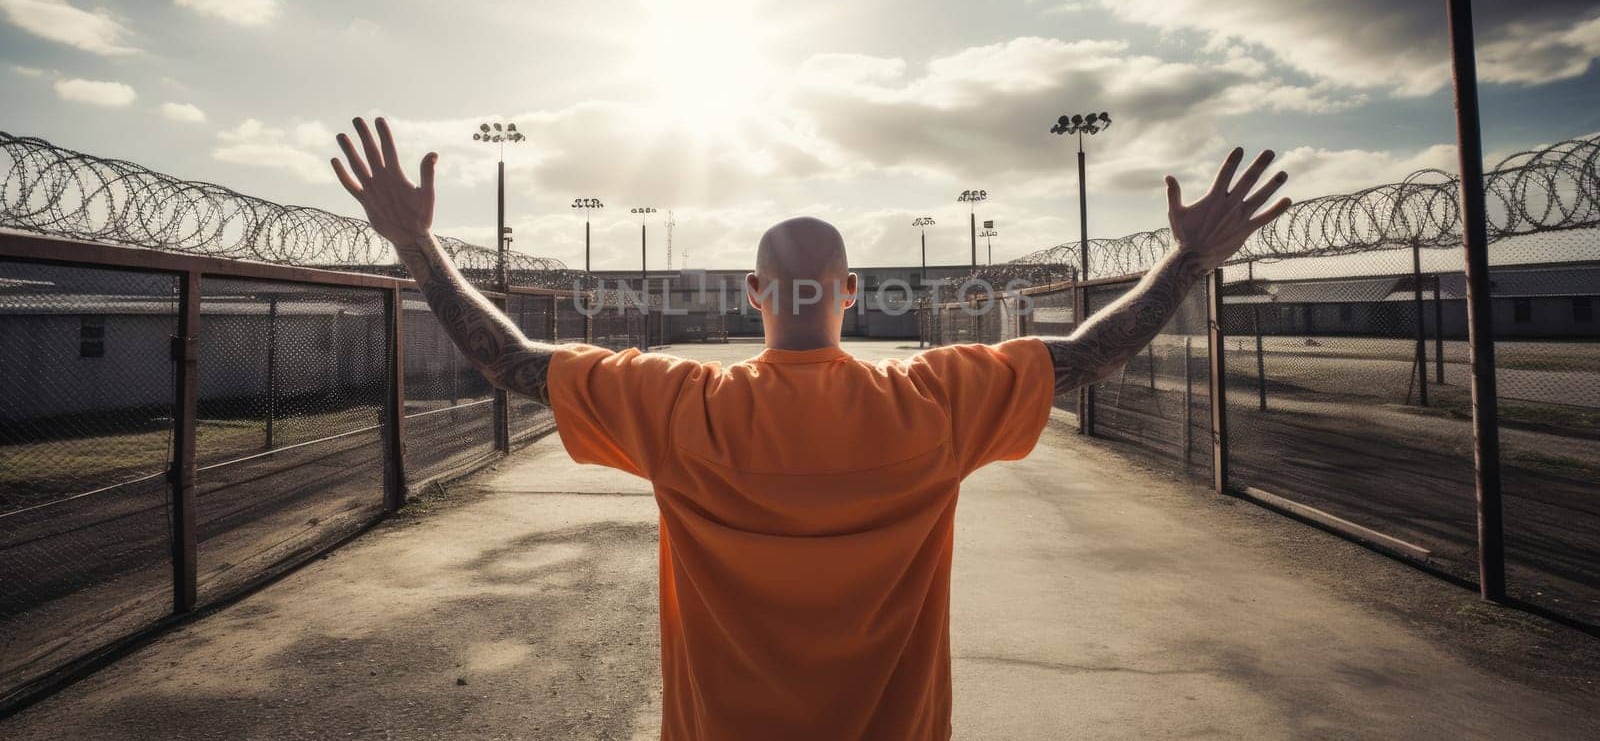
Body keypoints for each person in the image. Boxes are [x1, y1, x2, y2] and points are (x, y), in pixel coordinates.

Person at [331, 117, 1290, 741]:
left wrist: (416, 245)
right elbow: (1088, 353)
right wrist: (1187, 259)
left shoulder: (685, 408)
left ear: (754, 294)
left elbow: (509, 361)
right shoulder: (929, 405)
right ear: (852, 293)